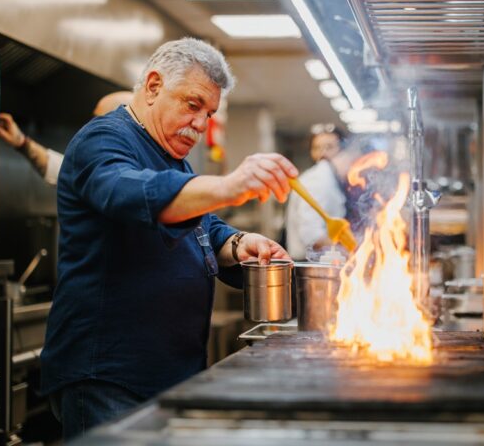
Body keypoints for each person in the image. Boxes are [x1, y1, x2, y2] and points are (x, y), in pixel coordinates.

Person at [39, 38, 298, 440]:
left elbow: (203, 228)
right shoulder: (104, 140)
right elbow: (138, 195)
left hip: (168, 370)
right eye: (193, 105)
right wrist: (232, 185)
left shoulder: (172, 154)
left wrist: (239, 243)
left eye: (208, 113)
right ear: (154, 85)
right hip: (109, 375)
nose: (200, 124)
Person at [0, 91, 133, 185]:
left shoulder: (134, 181)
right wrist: (21, 143)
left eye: (99, 123)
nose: (91, 130)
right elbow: (59, 167)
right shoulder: (94, 173)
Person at [286, 131, 359, 261]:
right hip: (309, 264)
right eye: (317, 148)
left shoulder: (330, 177)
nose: (323, 153)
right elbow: (312, 234)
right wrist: (353, 250)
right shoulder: (318, 180)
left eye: (329, 147)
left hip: (319, 261)